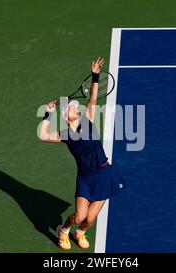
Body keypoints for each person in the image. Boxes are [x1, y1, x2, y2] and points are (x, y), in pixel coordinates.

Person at [38, 57, 126, 250]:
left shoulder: (88, 122)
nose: (73, 107)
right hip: (85, 178)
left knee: (90, 219)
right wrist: (47, 113)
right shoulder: (65, 134)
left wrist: (95, 76)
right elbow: (43, 135)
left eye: (75, 107)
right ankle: (64, 229)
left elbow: (93, 99)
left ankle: (80, 232)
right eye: (70, 107)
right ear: (65, 117)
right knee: (79, 216)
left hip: (103, 174)